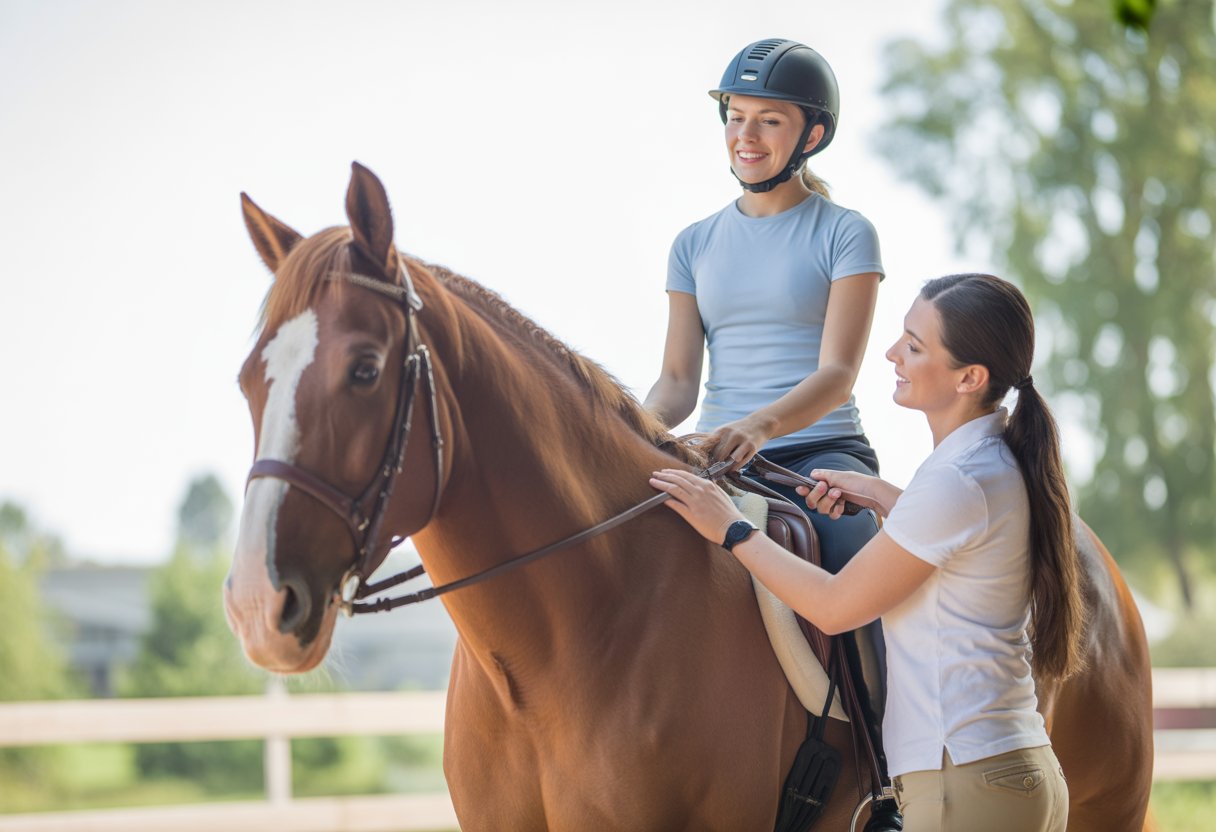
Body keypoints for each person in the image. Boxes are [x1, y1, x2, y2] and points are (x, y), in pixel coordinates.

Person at [650, 273, 1085, 831]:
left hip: (963, 786)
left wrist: (731, 529)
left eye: (914, 345)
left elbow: (834, 607)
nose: (891, 353)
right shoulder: (992, 461)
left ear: (970, 378)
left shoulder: (957, 478)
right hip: (1011, 777)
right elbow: (965, 547)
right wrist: (885, 497)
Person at [642, 37, 897, 827]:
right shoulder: (693, 243)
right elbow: (680, 382)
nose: (745, 136)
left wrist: (758, 425)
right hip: (718, 457)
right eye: (736, 117)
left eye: (769, 122)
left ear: (811, 135)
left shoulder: (845, 232)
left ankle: (890, 781)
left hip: (818, 454)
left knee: (866, 583)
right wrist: (631, 434)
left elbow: (837, 375)